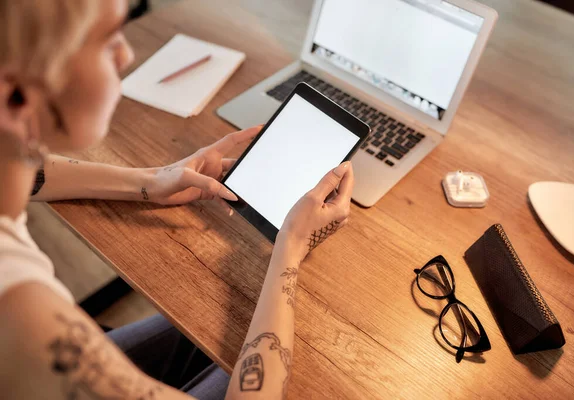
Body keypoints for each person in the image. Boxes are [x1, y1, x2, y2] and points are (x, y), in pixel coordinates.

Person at [0, 0, 354, 399]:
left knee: (217, 326)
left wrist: (152, 180)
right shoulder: (20, 312)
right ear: (15, 96)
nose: (126, 54)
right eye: (105, 41)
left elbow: (33, 172)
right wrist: (290, 246)